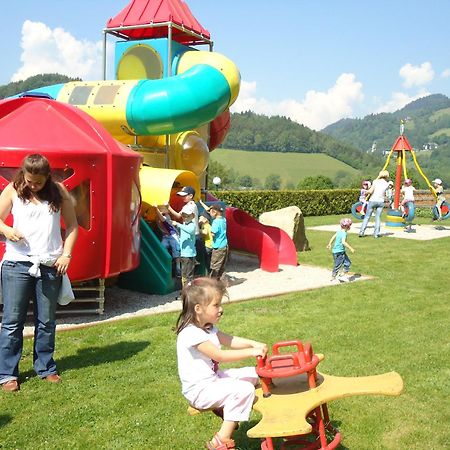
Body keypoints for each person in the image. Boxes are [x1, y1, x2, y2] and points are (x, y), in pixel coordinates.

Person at [0, 154, 78, 392]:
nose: (33, 185)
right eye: (30, 180)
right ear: (23, 174)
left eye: (39, 182)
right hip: (17, 264)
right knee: (13, 322)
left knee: (47, 321)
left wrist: (66, 255)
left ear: (48, 177)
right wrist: (7, 230)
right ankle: (7, 374)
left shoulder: (59, 191)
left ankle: (45, 367)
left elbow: (73, 226)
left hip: (49, 264)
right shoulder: (13, 189)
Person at [175, 277, 267, 450]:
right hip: (199, 391)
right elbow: (220, 355)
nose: (221, 309)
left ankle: (225, 407)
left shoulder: (207, 327)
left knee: (253, 374)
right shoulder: (190, 334)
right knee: (244, 390)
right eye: (216, 305)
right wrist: (251, 352)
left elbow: (229, 340)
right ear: (198, 309)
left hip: (213, 380)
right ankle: (220, 441)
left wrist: (254, 343)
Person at [169, 186, 206, 274]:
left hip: (192, 234)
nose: (182, 197)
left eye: (184, 195)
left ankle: (190, 279)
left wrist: (177, 223)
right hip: (190, 234)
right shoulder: (188, 205)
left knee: (189, 260)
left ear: (191, 196)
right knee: (191, 260)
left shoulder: (190, 207)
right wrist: (169, 207)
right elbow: (179, 215)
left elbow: (179, 216)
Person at [359, 170, 390, 238]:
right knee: (378, 217)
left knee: (367, 216)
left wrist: (365, 192)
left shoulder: (375, 181)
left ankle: (361, 232)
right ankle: (376, 234)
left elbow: (370, 191)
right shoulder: (386, 184)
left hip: (373, 200)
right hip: (381, 201)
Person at [172, 203, 197, 287]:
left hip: (189, 254)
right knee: (184, 275)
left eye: (188, 216)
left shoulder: (192, 225)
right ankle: (185, 290)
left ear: (192, 216)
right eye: (184, 216)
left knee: (188, 275)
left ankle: (188, 291)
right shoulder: (184, 225)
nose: (185, 218)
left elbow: (190, 231)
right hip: (183, 254)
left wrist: (178, 224)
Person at [155, 204, 181, 277]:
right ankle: (165, 265)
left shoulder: (166, 217)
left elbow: (163, 219)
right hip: (165, 236)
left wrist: (156, 209)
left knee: (176, 251)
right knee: (162, 248)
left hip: (173, 235)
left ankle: (178, 268)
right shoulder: (157, 217)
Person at [327, 218, 355, 283]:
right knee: (338, 265)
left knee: (347, 263)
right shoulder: (344, 233)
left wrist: (330, 243)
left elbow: (333, 236)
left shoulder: (339, 231)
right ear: (346, 226)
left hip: (340, 251)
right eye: (349, 226)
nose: (349, 227)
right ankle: (333, 277)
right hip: (339, 252)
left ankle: (342, 274)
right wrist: (351, 248)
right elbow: (343, 242)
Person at [209, 203, 228, 280]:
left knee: (215, 266)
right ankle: (222, 282)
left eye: (210, 212)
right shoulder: (223, 219)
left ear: (214, 212)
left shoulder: (216, 222)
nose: (209, 214)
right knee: (222, 266)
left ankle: (212, 282)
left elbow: (213, 234)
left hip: (218, 246)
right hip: (225, 245)